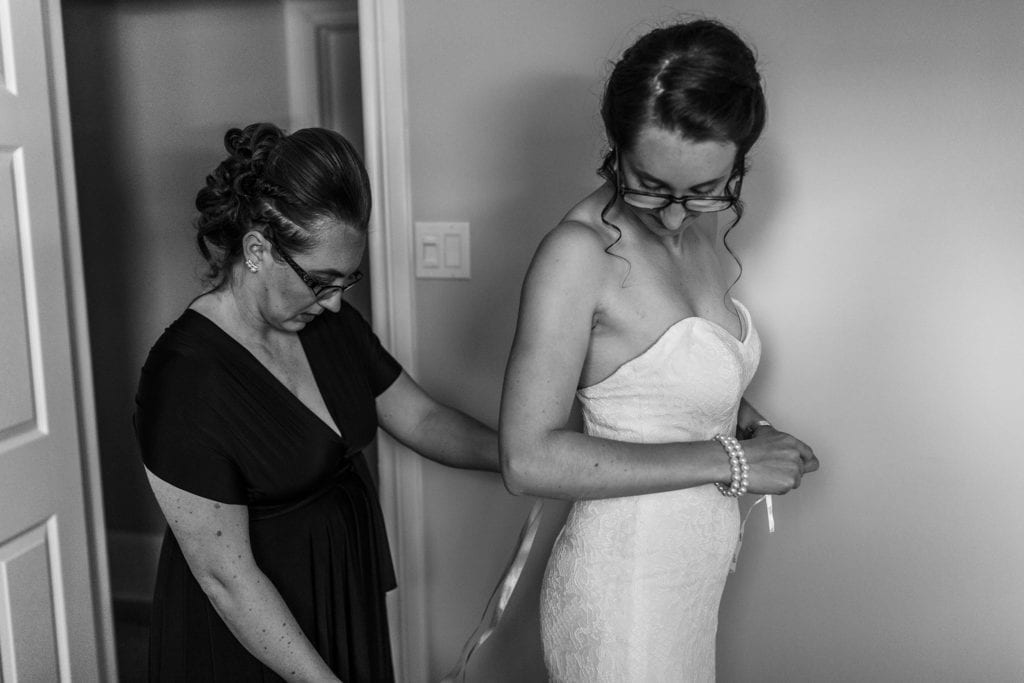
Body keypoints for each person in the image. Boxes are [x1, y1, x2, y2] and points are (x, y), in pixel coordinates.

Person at [499, 19, 820, 681]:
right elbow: (527, 458)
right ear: (614, 148)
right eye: (649, 184)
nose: (675, 214)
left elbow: (657, 380)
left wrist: (746, 421)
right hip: (623, 585)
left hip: (689, 578)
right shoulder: (578, 255)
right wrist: (734, 460)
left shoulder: (699, 231)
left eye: (706, 189)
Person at [135, 122, 499, 682]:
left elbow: (422, 417)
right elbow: (226, 579)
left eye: (346, 282)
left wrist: (520, 456)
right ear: (258, 249)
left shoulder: (328, 326)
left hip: (338, 592)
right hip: (251, 630)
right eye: (321, 281)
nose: (333, 304)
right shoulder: (184, 378)